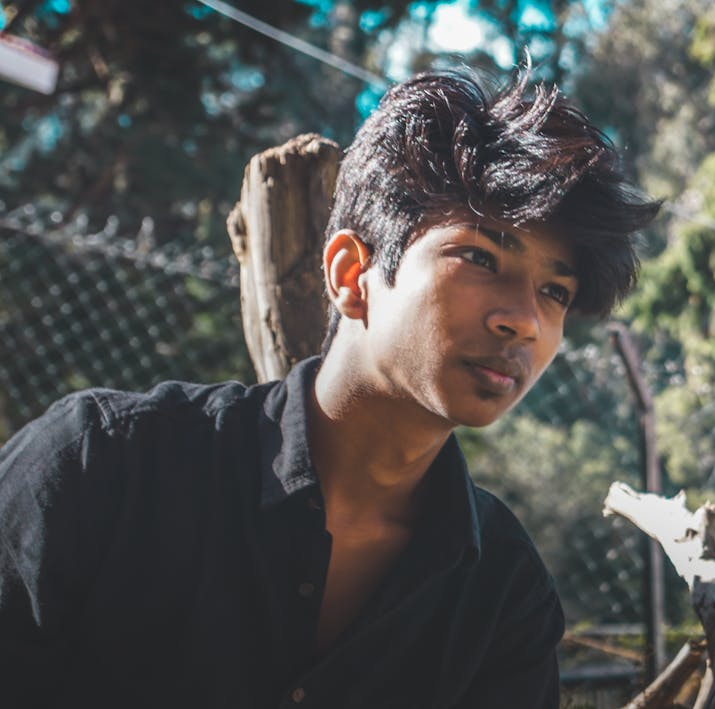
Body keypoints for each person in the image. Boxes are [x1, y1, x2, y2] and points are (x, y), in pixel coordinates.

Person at [0, 68, 659, 708]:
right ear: (352, 272)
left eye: (555, 291)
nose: (526, 318)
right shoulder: (101, 471)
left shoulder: (505, 599)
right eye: (481, 257)